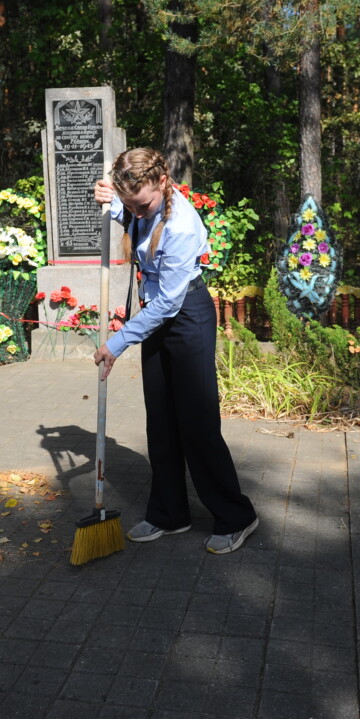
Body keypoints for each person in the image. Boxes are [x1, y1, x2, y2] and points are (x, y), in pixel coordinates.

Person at [93, 147, 258, 554]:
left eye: (142, 203)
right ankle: (170, 513)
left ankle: (236, 515)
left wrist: (117, 343)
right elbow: (131, 214)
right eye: (131, 203)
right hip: (157, 318)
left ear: (163, 183)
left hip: (188, 318)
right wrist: (111, 202)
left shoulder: (181, 225)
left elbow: (169, 303)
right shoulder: (139, 204)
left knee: (197, 425)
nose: (138, 211)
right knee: (161, 423)